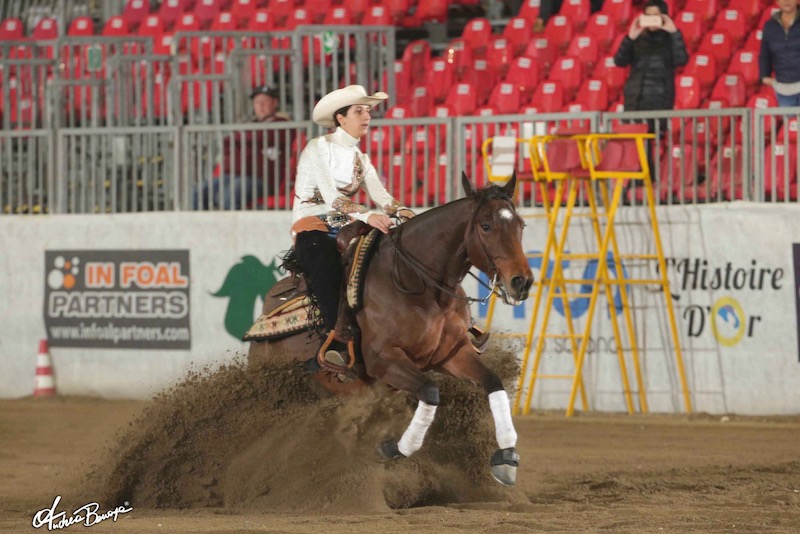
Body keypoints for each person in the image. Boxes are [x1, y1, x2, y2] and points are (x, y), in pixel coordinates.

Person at [291, 85, 415, 369]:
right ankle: (336, 338)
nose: (367, 115)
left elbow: (382, 196)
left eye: (368, 110)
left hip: (346, 226)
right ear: (340, 118)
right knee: (325, 264)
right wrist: (368, 215)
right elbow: (333, 198)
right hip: (313, 227)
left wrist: (404, 211)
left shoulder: (361, 159)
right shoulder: (317, 148)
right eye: (359, 110)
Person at [613, 0, 687, 185]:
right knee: (635, 142)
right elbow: (619, 61)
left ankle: (647, 181)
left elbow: (681, 59)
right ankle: (639, 181)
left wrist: (674, 32)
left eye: (656, 16)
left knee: (648, 142)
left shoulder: (671, 39)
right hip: (635, 98)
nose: (652, 20)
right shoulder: (637, 39)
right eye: (648, 16)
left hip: (659, 99)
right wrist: (630, 37)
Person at [193, 85, 289, 210]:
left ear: (275, 103)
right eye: (257, 102)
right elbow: (228, 142)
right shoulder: (249, 124)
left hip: (261, 179)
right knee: (197, 192)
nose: (261, 106)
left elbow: (259, 138)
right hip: (234, 175)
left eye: (265, 101)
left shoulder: (282, 124)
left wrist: (243, 140)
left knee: (230, 197)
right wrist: (248, 140)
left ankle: (232, 229)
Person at [760, 0, 800, 108]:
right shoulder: (769, 26)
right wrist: (764, 76)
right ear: (777, 1)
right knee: (790, 125)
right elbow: (765, 54)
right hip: (783, 91)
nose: (787, 1)